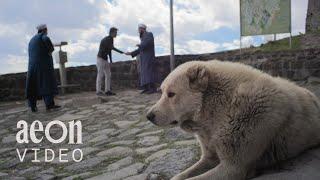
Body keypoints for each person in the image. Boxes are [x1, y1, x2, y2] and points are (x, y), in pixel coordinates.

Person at [26, 24, 61, 112]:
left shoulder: (31, 40)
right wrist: (50, 51)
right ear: (45, 30)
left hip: (32, 66)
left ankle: (33, 106)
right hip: (43, 66)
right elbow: (50, 48)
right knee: (46, 84)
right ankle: (49, 105)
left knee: (33, 86)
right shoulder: (44, 37)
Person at [125, 24, 156, 94]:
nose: (138, 31)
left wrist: (140, 45)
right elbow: (140, 49)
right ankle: (146, 88)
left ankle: (152, 88)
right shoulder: (143, 38)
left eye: (139, 30)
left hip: (148, 57)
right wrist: (131, 53)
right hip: (144, 59)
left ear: (142, 29)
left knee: (149, 72)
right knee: (144, 73)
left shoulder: (149, 34)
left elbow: (146, 44)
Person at [97, 27, 124, 96]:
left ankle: (107, 90)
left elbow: (109, 50)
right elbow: (112, 48)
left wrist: (111, 60)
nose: (116, 34)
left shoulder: (111, 39)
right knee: (100, 74)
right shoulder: (107, 39)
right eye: (115, 33)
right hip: (100, 58)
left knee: (108, 74)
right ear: (112, 33)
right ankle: (98, 91)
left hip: (105, 59)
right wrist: (121, 52)